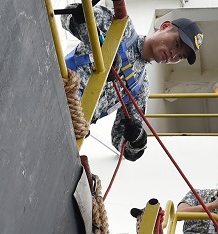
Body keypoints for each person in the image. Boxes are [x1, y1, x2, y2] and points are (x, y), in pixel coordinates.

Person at [59, 4, 204, 160]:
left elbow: (121, 143)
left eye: (180, 57)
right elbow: (67, 16)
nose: (173, 54)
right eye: (177, 44)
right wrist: (82, 18)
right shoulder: (120, 26)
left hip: (71, 128)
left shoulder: (140, 88)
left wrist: (137, 140)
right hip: (55, 86)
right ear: (165, 26)